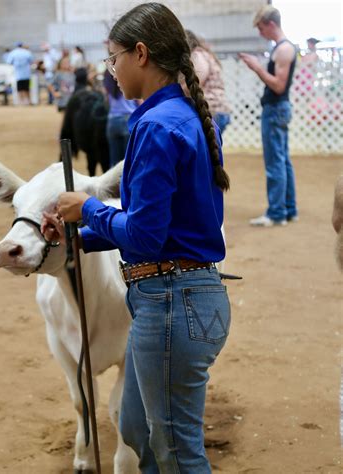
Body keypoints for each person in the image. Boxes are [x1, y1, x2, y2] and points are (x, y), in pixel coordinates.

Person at [41, 3, 231, 472]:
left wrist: (87, 207)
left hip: (171, 301)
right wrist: (79, 238)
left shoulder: (154, 125)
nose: (112, 70)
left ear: (140, 54)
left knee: (176, 451)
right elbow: (155, 225)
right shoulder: (186, 117)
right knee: (137, 429)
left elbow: (144, 234)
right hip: (185, 295)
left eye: (114, 58)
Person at [239, 5, 298, 227]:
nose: (260, 33)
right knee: (283, 161)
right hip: (279, 108)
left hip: (275, 108)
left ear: (271, 24)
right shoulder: (284, 49)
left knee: (275, 162)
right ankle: (288, 209)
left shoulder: (283, 50)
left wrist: (257, 67)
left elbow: (278, 86)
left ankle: (276, 213)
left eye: (261, 28)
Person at [185, 29, 231, 135]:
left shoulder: (199, 55)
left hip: (213, 110)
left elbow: (195, 82)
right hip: (217, 110)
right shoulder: (206, 55)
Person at [103, 68, 139, 167]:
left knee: (114, 163)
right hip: (128, 120)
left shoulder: (107, 76)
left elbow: (106, 100)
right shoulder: (126, 75)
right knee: (128, 162)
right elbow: (139, 101)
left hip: (112, 120)